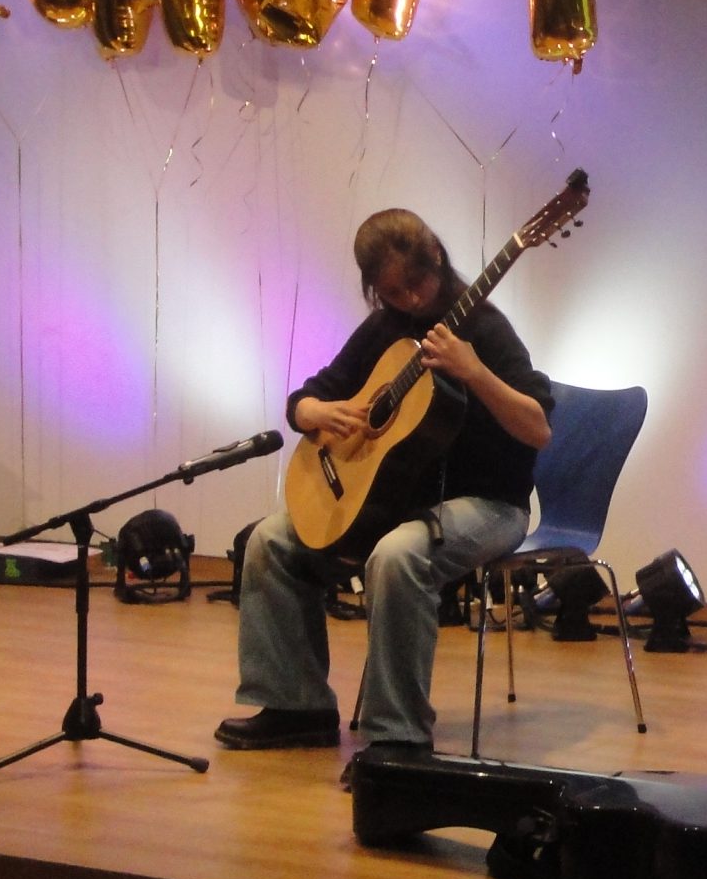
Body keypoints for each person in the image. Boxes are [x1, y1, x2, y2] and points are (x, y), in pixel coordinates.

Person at [216, 208, 553, 760]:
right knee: (269, 542)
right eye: (393, 292)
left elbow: (538, 428)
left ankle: (397, 736)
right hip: (395, 503)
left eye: (417, 283)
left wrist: (474, 371)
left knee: (398, 555)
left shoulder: (486, 329)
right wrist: (317, 412)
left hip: (490, 505)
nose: (411, 300)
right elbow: (305, 398)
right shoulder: (385, 328)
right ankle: (296, 708)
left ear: (436, 257)